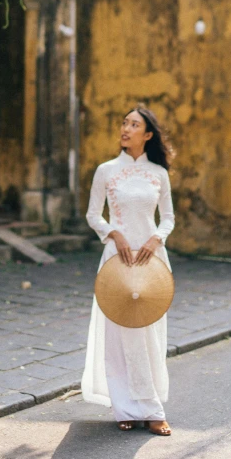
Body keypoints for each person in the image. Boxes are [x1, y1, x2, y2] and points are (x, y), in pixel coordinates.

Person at [81, 105, 175, 436]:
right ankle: (124, 407)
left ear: (147, 135)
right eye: (124, 123)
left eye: (134, 124)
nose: (125, 128)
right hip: (116, 258)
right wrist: (114, 233)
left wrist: (156, 239)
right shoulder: (106, 170)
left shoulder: (158, 174)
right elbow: (94, 214)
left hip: (151, 259)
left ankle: (151, 408)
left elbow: (168, 218)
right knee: (118, 334)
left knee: (149, 333)